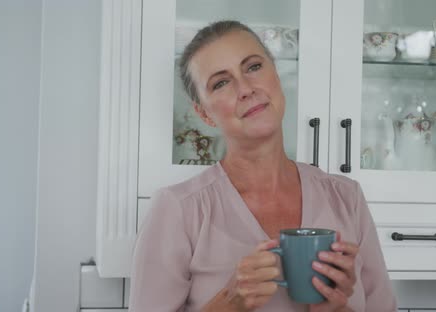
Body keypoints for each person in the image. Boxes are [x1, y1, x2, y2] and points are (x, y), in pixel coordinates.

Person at [129, 20, 397, 312]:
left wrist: (337, 309)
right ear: (204, 114)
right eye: (221, 83)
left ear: (276, 75)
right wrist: (229, 303)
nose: (245, 89)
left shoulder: (347, 199)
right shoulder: (178, 210)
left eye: (253, 67)